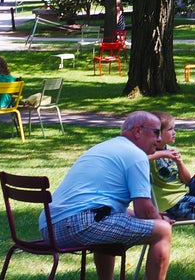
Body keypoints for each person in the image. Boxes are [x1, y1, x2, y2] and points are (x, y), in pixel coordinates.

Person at [44, 111, 172, 280]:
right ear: (138, 130)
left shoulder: (106, 147)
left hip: (50, 227)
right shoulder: (136, 155)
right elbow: (145, 211)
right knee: (162, 231)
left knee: (109, 224)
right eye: (156, 132)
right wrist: (158, 220)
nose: (159, 139)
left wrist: (153, 216)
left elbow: (103, 207)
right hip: (80, 224)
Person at [144, 111, 195, 221]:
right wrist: (163, 154)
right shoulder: (147, 152)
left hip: (185, 194)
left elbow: (187, 181)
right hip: (172, 203)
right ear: (157, 133)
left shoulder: (171, 150)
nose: (174, 133)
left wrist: (179, 163)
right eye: (170, 129)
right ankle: (175, 215)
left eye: (174, 128)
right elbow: (137, 159)